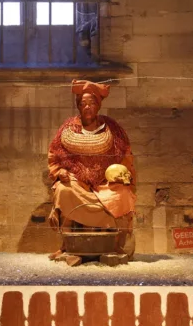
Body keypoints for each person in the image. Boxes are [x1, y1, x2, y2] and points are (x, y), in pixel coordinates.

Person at [46, 79, 137, 258]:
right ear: (78, 107)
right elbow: (54, 156)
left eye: (92, 103)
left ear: (98, 106)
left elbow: (126, 156)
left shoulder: (112, 128)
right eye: (83, 104)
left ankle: (117, 244)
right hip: (77, 181)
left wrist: (121, 175)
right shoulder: (68, 128)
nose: (88, 107)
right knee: (64, 191)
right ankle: (66, 245)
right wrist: (60, 172)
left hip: (105, 183)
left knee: (123, 195)